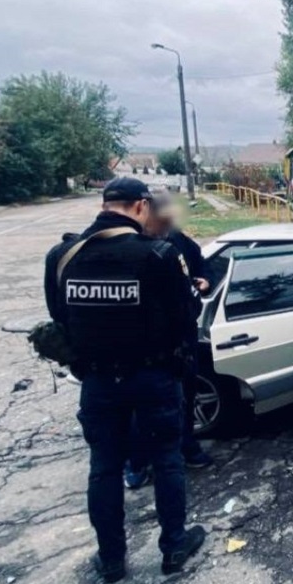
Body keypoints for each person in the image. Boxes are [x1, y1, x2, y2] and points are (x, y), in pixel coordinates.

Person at [44, 177, 206, 584]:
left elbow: (60, 321)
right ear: (139, 207)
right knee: (167, 460)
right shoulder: (158, 255)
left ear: (104, 204)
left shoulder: (63, 256)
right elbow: (185, 318)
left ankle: (112, 559)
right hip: (153, 376)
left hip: (98, 381)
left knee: (104, 468)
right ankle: (173, 546)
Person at [124, 190, 212, 488]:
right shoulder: (128, 246)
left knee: (185, 399)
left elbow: (201, 264)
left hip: (180, 342)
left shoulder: (177, 240)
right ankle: (136, 463)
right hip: (139, 346)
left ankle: (188, 446)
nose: (169, 221)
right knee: (138, 411)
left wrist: (204, 281)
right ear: (144, 211)